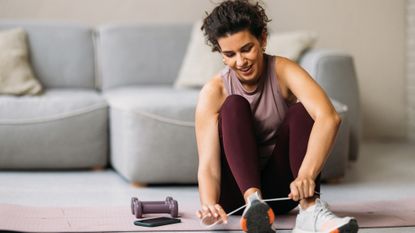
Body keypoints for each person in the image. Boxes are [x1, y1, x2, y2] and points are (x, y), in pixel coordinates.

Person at [194, 0, 358, 233]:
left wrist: (306, 176)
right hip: (237, 196)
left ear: (262, 39)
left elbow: (329, 117)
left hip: (284, 190)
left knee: (302, 111)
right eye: (230, 54)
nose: (240, 62)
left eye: (246, 49)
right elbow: (208, 165)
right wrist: (209, 204)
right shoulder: (214, 91)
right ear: (221, 55)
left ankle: (309, 211)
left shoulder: (283, 70)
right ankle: (254, 205)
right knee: (233, 105)